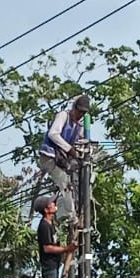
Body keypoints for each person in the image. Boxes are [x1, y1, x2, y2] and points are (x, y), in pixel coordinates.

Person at [37, 93, 89, 221]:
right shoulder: (63, 116)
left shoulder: (79, 126)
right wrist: (69, 149)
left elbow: (80, 142)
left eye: (83, 113)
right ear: (74, 108)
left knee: (74, 184)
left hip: (61, 160)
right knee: (65, 184)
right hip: (49, 157)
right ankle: (71, 216)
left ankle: (66, 210)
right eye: (79, 111)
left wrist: (82, 149)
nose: (80, 115)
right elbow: (53, 134)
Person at [35, 196, 72, 278]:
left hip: (55, 264)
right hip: (49, 266)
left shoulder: (51, 224)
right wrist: (66, 249)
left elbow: (55, 244)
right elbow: (47, 248)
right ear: (46, 209)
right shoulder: (44, 226)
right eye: (52, 203)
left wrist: (63, 254)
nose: (55, 204)